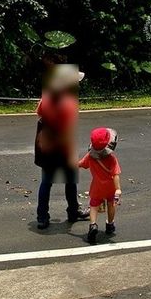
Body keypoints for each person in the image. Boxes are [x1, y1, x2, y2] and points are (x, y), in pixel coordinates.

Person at [35, 64, 90, 229]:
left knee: (46, 181)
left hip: (46, 145)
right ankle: (73, 211)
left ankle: (42, 216)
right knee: (70, 180)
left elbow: (39, 112)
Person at [78, 127, 122, 244]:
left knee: (94, 205)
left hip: (97, 187)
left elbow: (81, 164)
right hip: (110, 187)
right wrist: (117, 189)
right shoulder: (111, 158)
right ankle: (110, 224)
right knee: (111, 205)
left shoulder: (90, 156)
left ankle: (93, 225)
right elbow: (115, 174)